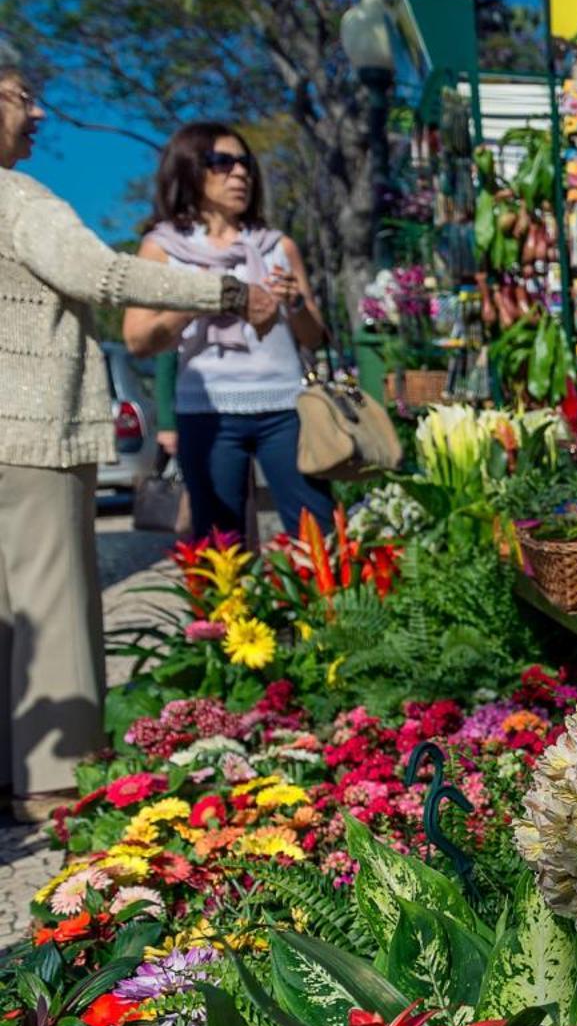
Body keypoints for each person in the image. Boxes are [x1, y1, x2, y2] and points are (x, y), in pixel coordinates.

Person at [0, 54, 275, 819]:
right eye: (23, 97)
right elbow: (102, 276)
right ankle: (56, 782)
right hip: (31, 433)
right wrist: (226, 289)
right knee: (51, 602)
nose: (39, 114)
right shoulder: (20, 199)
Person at [124, 124, 333, 539]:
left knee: (318, 534)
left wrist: (292, 303)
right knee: (221, 545)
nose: (240, 173)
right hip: (208, 412)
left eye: (245, 163)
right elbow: (137, 339)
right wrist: (201, 298)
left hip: (285, 408)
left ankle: (326, 606)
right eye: (222, 162)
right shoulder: (162, 248)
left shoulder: (277, 245)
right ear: (188, 169)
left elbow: (314, 338)